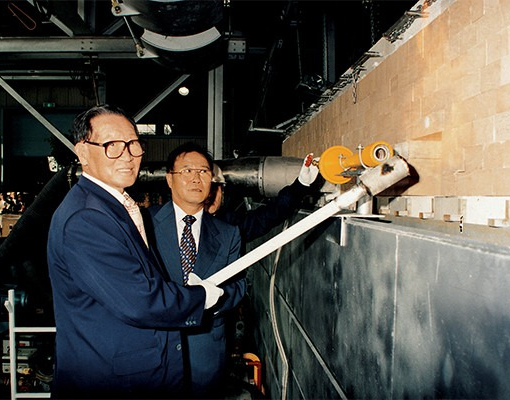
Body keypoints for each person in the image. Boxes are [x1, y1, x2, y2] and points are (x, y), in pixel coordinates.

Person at [47, 105, 224, 399]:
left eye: (133, 144)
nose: (127, 156)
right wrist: (201, 297)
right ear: (83, 152)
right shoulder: (86, 219)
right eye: (112, 146)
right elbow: (141, 301)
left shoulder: (113, 205)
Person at [144, 142, 246, 398]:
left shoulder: (228, 233)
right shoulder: (144, 224)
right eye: (187, 171)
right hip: (154, 351)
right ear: (169, 179)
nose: (196, 178)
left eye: (203, 172)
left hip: (205, 355)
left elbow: (239, 286)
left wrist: (213, 300)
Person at [207, 153, 321, 242]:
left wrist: (301, 184)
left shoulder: (226, 224)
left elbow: (267, 216)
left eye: (217, 187)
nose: (212, 194)